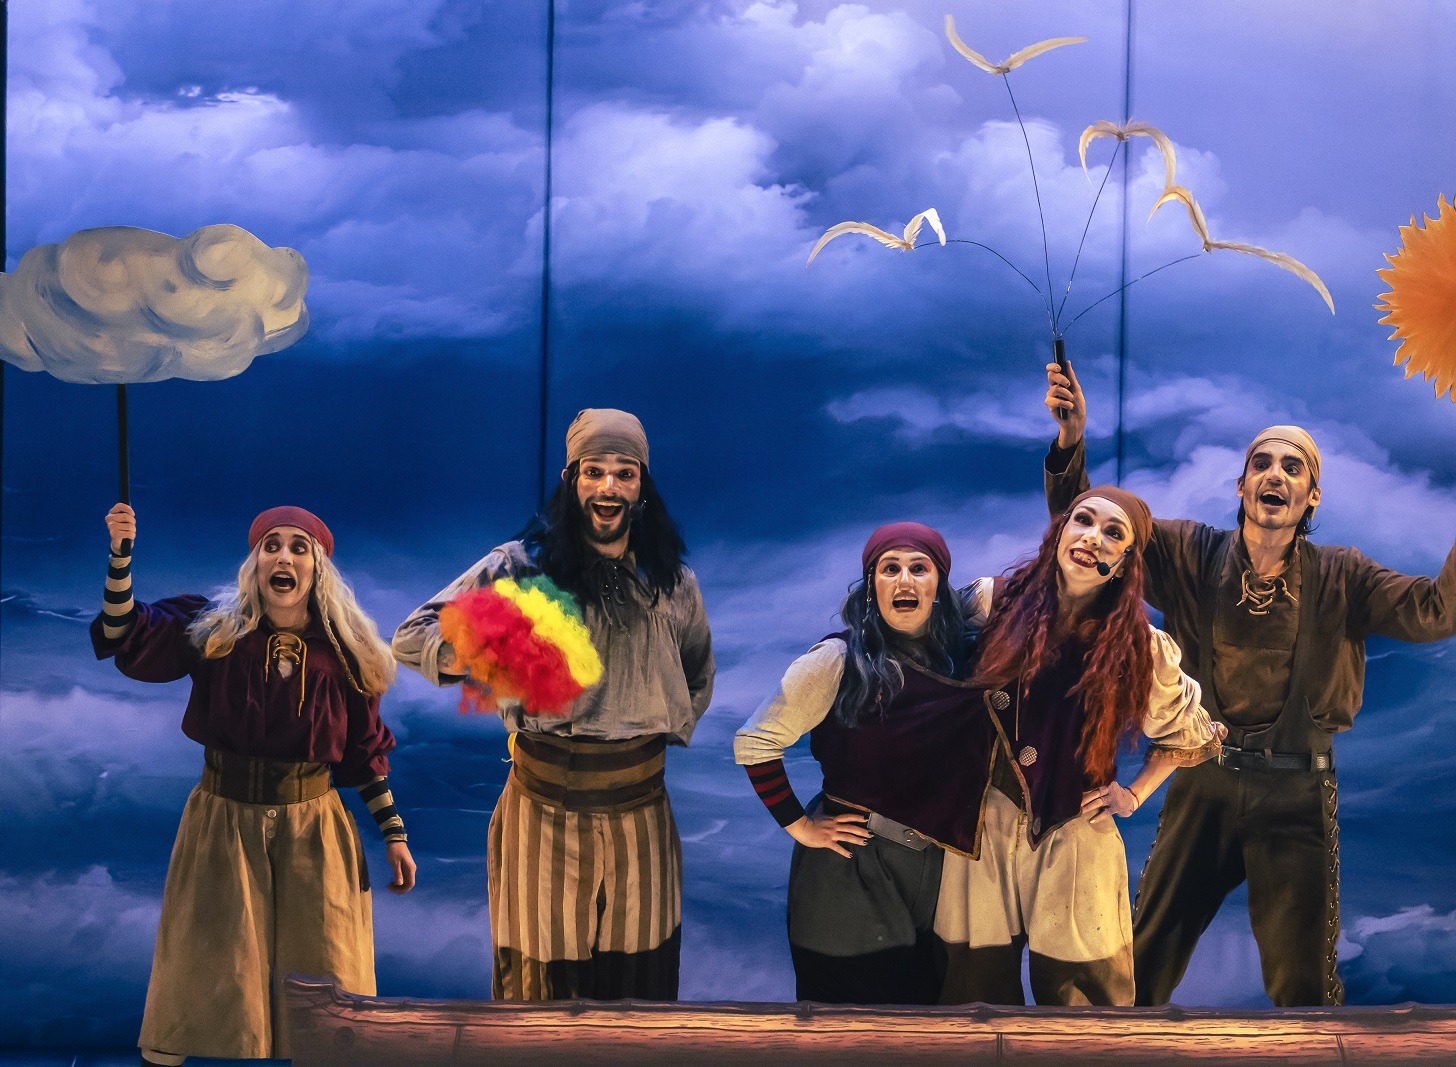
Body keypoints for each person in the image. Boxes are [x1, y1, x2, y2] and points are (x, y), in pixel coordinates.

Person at [1042, 360, 1456, 1006]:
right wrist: (1070, 443)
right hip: (1202, 784)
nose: (1275, 475)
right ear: (1241, 485)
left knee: (1305, 990)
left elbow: (1436, 611)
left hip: (1295, 793)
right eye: (1262, 463)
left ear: (1312, 496)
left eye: (1293, 467)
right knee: (1139, 970)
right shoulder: (1189, 553)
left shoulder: (1343, 576)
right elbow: (1094, 530)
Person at [393, 408, 714, 1002]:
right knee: (539, 993)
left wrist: (639, 716)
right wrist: (493, 649)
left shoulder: (672, 582)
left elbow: (696, 674)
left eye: (625, 473)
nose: (609, 487)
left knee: (640, 993)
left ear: (642, 487)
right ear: (571, 480)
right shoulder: (520, 567)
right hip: (542, 814)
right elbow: (413, 636)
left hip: (642, 815)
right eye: (594, 471)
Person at [91, 503, 416, 1067]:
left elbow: (364, 754)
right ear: (255, 563)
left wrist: (394, 835)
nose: (283, 557)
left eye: (298, 547)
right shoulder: (215, 632)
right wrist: (121, 555)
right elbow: (125, 633)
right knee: (196, 965)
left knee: (326, 972)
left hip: (314, 829)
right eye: (271, 546)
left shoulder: (346, 652)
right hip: (223, 820)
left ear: (317, 568)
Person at [934, 487, 1224, 1006]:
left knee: (1088, 1009)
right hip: (982, 827)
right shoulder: (991, 602)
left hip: (1075, 830)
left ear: (1126, 561)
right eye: (1083, 521)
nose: (1093, 538)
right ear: (1061, 531)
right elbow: (916, 651)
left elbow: (1187, 731)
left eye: (1113, 533)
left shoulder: (1141, 646)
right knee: (973, 996)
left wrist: (1132, 795)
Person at [734, 522, 995, 1004]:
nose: (905, 580)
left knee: (920, 1020)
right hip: (851, 867)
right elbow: (755, 742)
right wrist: (801, 826)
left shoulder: (957, 657)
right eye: (889, 568)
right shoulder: (837, 660)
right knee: (849, 1023)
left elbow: (1012, 595)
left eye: (920, 569)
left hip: (933, 869)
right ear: (871, 585)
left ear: (939, 585)